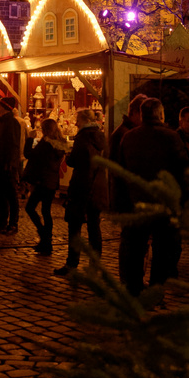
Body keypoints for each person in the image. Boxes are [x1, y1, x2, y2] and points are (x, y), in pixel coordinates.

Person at [116, 97, 189, 296]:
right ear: (161, 114)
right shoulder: (171, 137)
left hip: (136, 202)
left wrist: (121, 202)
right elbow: (184, 172)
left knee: (135, 248)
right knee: (163, 250)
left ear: (141, 114)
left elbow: (120, 173)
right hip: (163, 203)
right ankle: (156, 290)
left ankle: (134, 289)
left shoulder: (129, 138)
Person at [54, 108, 108, 276]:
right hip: (98, 185)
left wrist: (69, 157)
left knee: (75, 227)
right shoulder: (100, 137)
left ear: (83, 120)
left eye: (77, 120)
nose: (75, 123)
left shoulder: (82, 137)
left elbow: (75, 161)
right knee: (94, 227)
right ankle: (94, 264)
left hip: (82, 186)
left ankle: (72, 264)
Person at [23, 117, 68, 255]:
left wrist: (29, 139)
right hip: (51, 181)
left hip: (42, 181)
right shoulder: (59, 144)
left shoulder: (46, 144)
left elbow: (29, 154)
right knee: (46, 211)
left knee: (30, 208)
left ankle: (44, 236)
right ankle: (46, 242)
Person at [0, 96, 22, 234]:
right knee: (1, 195)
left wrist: (10, 163)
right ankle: (2, 222)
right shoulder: (1, 122)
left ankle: (13, 224)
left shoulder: (12, 123)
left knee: (11, 195)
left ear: (5, 108)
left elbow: (13, 145)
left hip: (6, 166)